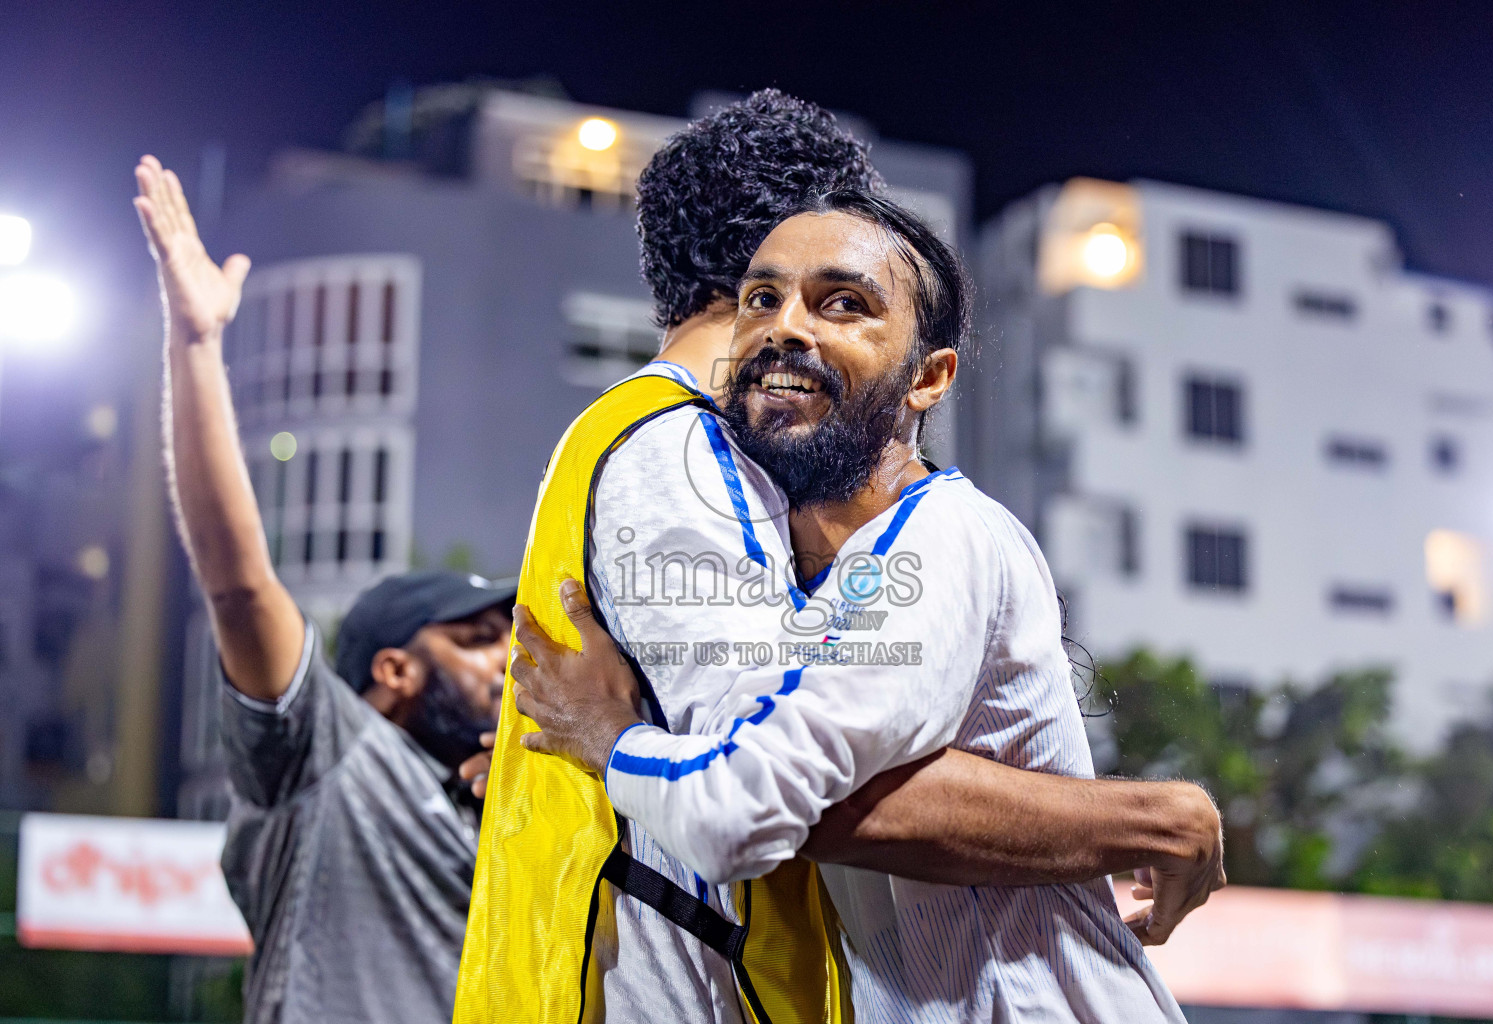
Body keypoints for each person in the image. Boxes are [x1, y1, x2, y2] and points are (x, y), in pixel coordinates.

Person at [459, 93, 1222, 1024]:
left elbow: (764, 789)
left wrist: (611, 743)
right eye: (767, 296)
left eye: (843, 300)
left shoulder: (924, 533)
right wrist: (1142, 822)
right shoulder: (684, 450)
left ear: (927, 373)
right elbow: (768, 781)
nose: (790, 330)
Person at [133, 156, 515, 1024]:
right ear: (394, 670)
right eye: (478, 636)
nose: (510, 658)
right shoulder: (327, 758)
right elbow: (238, 587)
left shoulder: (504, 809)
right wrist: (194, 346)